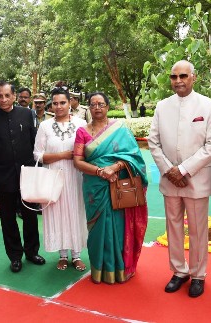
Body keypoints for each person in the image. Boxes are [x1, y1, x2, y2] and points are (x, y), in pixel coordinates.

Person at [148, 60, 211, 297]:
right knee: (174, 227)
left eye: (183, 76)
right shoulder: (162, 106)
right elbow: (153, 142)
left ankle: (198, 275)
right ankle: (179, 271)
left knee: (198, 230)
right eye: (173, 76)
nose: (178, 80)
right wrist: (170, 170)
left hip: (196, 180)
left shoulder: (208, 106)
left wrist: (184, 170)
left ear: (193, 77)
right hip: (170, 180)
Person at [73, 92, 148, 284]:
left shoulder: (120, 129)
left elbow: (134, 156)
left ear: (107, 106)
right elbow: (78, 161)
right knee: (97, 229)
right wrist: (100, 171)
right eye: (93, 104)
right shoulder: (82, 132)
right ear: (88, 108)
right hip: (94, 187)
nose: (97, 108)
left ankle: (119, 269)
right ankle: (99, 270)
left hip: (117, 185)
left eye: (101, 104)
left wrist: (114, 167)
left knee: (118, 226)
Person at [0, 81, 45, 273]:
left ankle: (32, 252)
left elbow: (36, 144)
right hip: (3, 177)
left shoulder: (27, 114)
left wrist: (38, 170)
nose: (3, 99)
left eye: (7, 95)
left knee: (30, 215)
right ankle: (15, 256)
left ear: (14, 96)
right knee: (8, 219)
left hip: (27, 175)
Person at [34, 87, 87, 271]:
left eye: (62, 102)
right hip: (53, 177)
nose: (58, 106)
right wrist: (62, 155)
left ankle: (77, 255)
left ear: (70, 103)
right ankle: (63, 255)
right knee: (57, 214)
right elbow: (37, 155)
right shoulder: (45, 126)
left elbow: (87, 150)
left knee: (76, 212)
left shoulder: (81, 123)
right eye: (55, 103)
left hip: (76, 176)